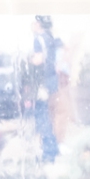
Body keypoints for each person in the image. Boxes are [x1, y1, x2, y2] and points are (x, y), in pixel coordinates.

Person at [28, 15, 63, 161]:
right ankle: (52, 149)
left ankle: (48, 151)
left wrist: (28, 60)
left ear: (39, 23)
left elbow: (39, 59)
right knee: (48, 115)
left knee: (42, 116)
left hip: (42, 83)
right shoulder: (50, 37)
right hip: (51, 80)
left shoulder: (39, 39)